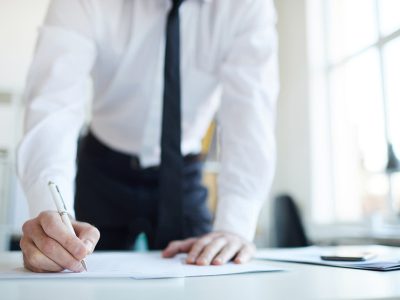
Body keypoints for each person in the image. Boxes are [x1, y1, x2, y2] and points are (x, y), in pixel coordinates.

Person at [17, 0, 278, 273]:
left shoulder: (247, 6)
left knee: (204, 276)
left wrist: (235, 227)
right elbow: (53, 106)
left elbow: (250, 113)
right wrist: (51, 215)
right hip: (102, 169)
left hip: (183, 175)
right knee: (76, 273)